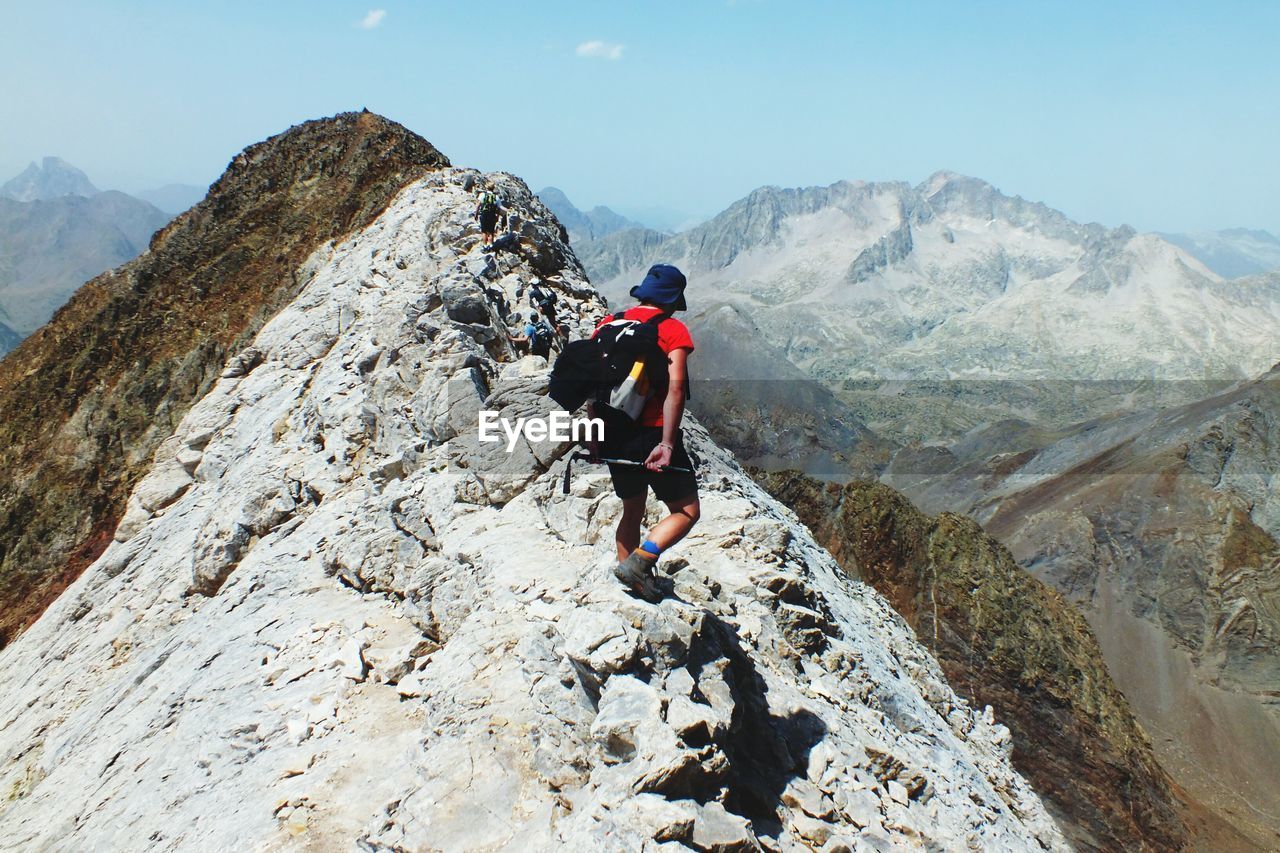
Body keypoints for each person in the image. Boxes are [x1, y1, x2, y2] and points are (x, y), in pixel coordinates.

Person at [588, 264, 699, 600]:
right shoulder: (672, 330)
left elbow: (592, 385)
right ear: (672, 299)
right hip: (650, 434)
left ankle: (634, 584)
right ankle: (642, 559)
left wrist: (594, 434)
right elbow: (675, 390)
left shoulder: (608, 324)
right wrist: (666, 443)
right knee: (686, 511)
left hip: (611, 432)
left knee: (632, 509)